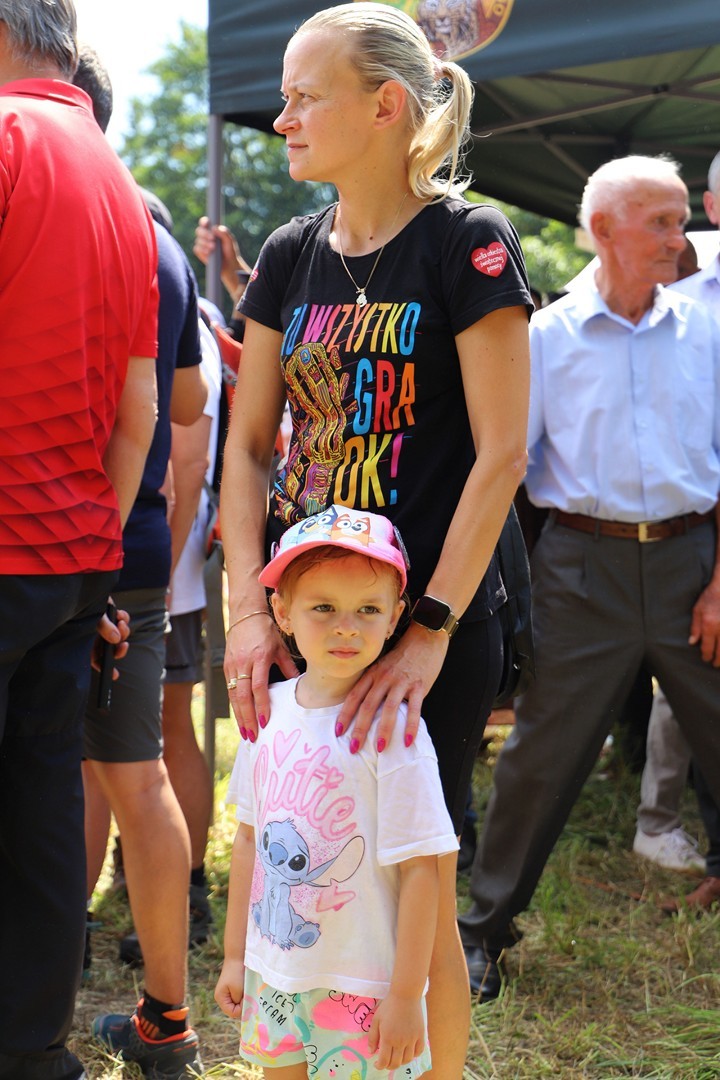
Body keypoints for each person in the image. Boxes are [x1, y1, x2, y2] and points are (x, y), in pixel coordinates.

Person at [218, 5, 531, 1074]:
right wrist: (250, 612)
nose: (283, 119)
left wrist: (431, 629)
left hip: (422, 632)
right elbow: (247, 449)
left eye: (305, 97)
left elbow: (501, 454)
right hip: (307, 625)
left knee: (417, 887)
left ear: (385, 105)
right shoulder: (287, 254)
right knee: (310, 867)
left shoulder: (467, 243)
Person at [457, 154, 720, 1002]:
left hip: (695, 563)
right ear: (604, 229)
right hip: (579, 570)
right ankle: (483, 935)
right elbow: (507, 471)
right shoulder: (544, 338)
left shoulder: (708, 332)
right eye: (663, 222)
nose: (681, 240)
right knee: (539, 759)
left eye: (682, 220)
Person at [0, 4, 159, 1078]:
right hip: (71, 556)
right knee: (41, 812)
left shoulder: (7, 135)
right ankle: (30, 1051)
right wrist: (96, 547)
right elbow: (137, 409)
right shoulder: (112, 173)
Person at [216, 506, 458, 1078]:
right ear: (281, 611)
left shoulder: (396, 732)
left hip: (362, 987)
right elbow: (248, 842)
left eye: (367, 609)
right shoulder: (266, 713)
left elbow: (422, 872)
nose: (346, 627)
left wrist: (406, 996)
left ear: (396, 616)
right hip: (274, 973)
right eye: (323, 607)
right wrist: (235, 956)